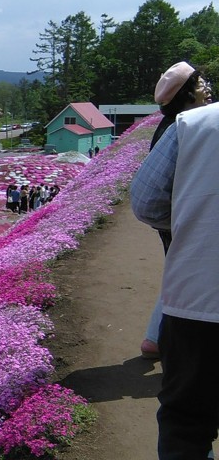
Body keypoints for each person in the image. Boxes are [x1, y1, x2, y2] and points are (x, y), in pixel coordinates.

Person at [130, 71, 218, 459]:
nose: (208, 87)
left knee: (187, 423)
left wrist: (191, 223)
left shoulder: (192, 126)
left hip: (201, 300)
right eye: (202, 83)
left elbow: (146, 201)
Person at [140, 62, 212, 360]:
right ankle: (159, 339)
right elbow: (149, 196)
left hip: (176, 218)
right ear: (186, 94)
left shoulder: (172, 125)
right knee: (185, 275)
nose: (207, 88)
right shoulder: (182, 127)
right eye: (200, 84)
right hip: (180, 219)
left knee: (177, 270)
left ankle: (154, 337)